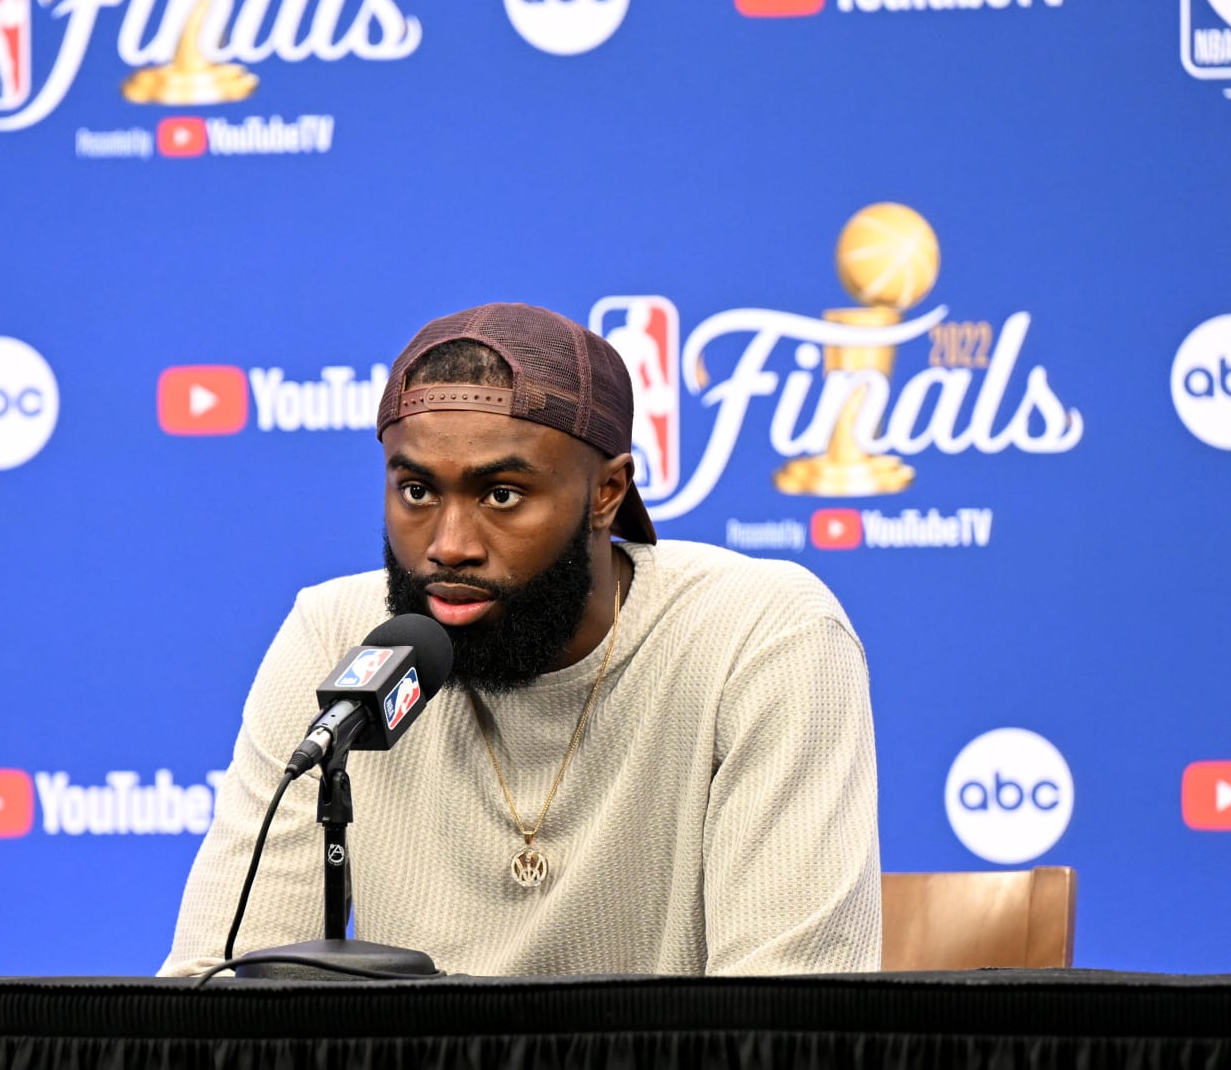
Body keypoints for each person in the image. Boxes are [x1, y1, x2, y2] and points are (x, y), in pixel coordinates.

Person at [160, 303, 880, 976]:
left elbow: (786, 1011)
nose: (448, 546)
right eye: (417, 491)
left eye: (501, 495)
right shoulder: (337, 636)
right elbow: (218, 989)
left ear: (607, 494)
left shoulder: (760, 637)